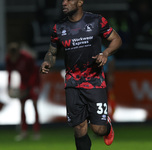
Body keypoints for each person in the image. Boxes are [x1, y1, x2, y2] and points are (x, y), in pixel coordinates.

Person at [40, 0, 122, 149]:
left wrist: (106, 53)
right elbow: (52, 52)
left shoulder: (96, 21)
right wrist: (48, 62)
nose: (64, 3)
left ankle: (107, 126)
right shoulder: (59, 28)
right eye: (63, 0)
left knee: (98, 130)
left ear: (79, 2)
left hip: (95, 82)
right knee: (79, 129)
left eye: (69, 0)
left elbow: (116, 39)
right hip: (72, 83)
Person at [5, 42, 41, 141]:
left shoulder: (27, 58)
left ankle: (36, 132)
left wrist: (29, 87)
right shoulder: (8, 59)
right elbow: (9, 73)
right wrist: (8, 86)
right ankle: (24, 132)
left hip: (34, 82)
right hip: (23, 82)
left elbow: (34, 72)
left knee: (34, 105)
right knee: (22, 106)